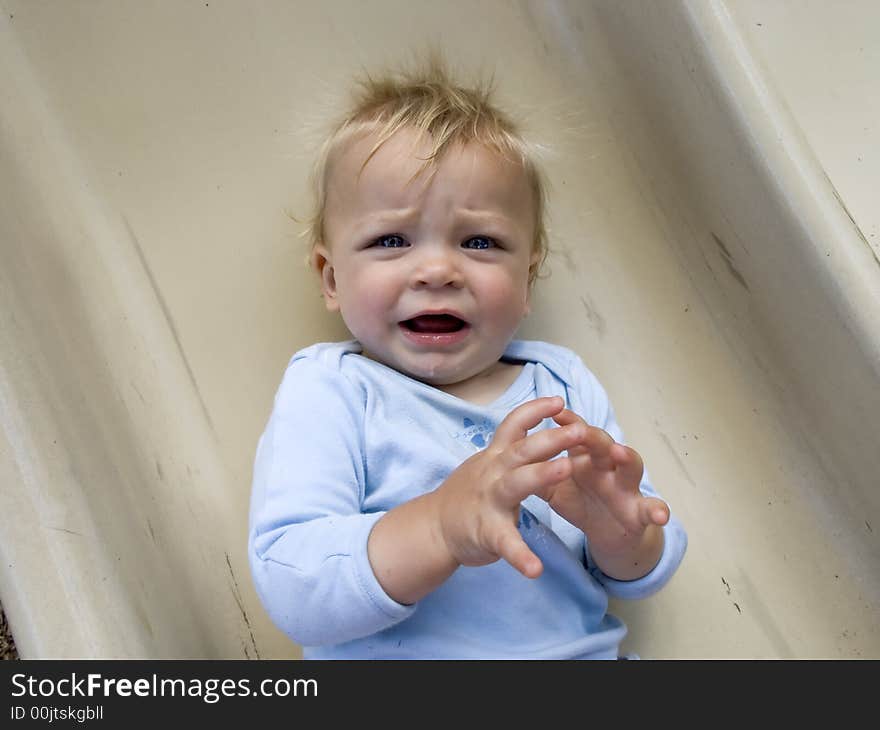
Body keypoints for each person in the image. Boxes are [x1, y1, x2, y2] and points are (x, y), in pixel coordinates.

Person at [248, 57, 687, 659]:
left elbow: (639, 571)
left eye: (479, 242)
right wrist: (440, 526)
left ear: (527, 279)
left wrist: (623, 533)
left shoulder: (557, 385)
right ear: (331, 278)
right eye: (390, 240)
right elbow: (294, 587)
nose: (437, 270)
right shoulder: (333, 390)